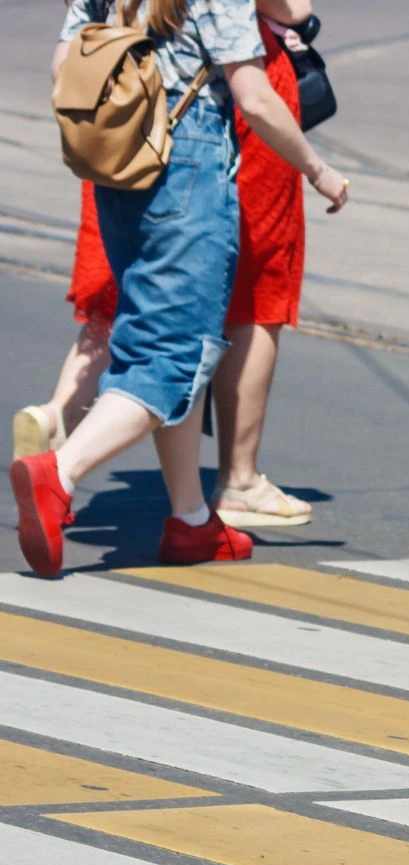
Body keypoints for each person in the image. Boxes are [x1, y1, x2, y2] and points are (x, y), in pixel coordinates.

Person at [10, 0, 349, 579]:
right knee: (172, 356)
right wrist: (318, 170)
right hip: (186, 157)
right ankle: (59, 473)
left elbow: (63, 66)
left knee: (164, 337)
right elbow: (254, 96)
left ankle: (191, 520)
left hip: (117, 159)